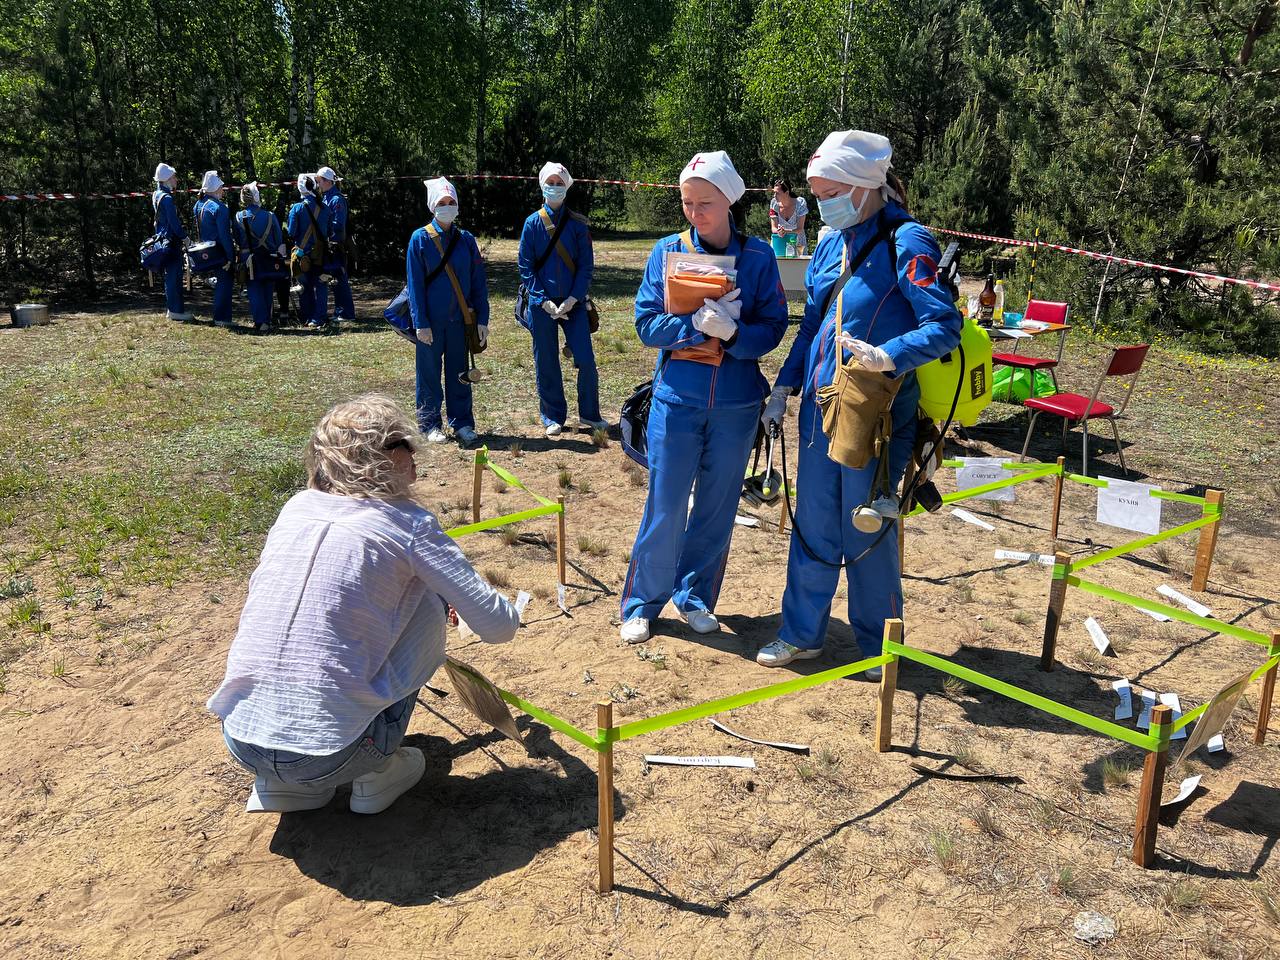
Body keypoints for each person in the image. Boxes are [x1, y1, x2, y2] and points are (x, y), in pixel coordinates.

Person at [208, 393, 520, 814]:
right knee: (426, 602)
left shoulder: (296, 508)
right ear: (391, 456)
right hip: (332, 752)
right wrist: (502, 605)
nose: (415, 459)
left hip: (241, 739)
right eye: (407, 447)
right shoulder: (408, 524)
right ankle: (376, 774)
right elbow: (498, 627)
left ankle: (285, 784)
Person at [756, 131, 961, 670]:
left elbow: (945, 326)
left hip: (877, 417)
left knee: (868, 532)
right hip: (818, 411)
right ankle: (802, 633)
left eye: (831, 192)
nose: (824, 204)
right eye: (817, 194)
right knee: (813, 527)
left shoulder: (909, 242)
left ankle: (878, 646)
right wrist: (783, 386)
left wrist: (888, 355)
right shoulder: (828, 243)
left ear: (867, 186)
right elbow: (813, 327)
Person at [619, 151, 789, 644]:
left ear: (730, 200)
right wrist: (692, 326)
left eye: (705, 203)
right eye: (688, 203)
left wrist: (735, 334)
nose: (695, 213)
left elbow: (774, 326)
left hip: (736, 405)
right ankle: (641, 603)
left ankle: (694, 597)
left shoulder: (758, 257)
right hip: (677, 399)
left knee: (716, 507)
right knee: (666, 504)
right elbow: (647, 323)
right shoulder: (665, 252)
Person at [517, 162, 608, 437]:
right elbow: (526, 267)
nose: (554, 187)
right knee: (546, 361)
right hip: (541, 305)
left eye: (559, 182)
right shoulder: (532, 223)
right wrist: (542, 299)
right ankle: (552, 416)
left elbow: (585, 267)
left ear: (566, 187)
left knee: (586, 360)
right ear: (542, 185)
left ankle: (590, 415)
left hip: (574, 304)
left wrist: (572, 298)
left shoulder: (578, 225)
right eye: (550, 182)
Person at [406, 177, 489, 446]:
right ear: (432, 206)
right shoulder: (419, 239)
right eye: (442, 203)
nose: (447, 206)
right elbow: (415, 285)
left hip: (460, 321)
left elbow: (478, 282)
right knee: (428, 375)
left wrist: (482, 319)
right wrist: (420, 322)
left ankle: (462, 422)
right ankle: (429, 424)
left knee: (459, 372)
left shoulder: (466, 240)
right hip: (431, 322)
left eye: (451, 202)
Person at [233, 181, 286, 333]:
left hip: (248, 258)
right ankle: (266, 321)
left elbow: (237, 239)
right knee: (268, 288)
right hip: (268, 257)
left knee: (254, 289)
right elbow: (278, 239)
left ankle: (260, 321)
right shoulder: (270, 216)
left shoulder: (238, 217)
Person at [287, 173, 331, 329]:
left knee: (304, 287)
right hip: (320, 253)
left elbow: (291, 232)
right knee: (321, 285)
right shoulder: (324, 207)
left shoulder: (297, 208)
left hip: (302, 254)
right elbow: (328, 231)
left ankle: (307, 317)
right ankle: (320, 317)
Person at [194, 170, 236, 328]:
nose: (223, 190)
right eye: (221, 187)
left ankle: (221, 316)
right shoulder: (220, 208)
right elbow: (225, 236)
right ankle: (222, 318)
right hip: (219, 251)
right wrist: (230, 256)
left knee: (220, 283)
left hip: (206, 251)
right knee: (225, 283)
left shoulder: (198, 205)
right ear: (215, 189)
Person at [151, 163, 192, 321]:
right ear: (167, 179)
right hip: (171, 240)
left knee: (170, 275)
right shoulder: (167, 198)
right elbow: (174, 223)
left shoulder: (157, 194)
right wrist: (185, 238)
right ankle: (176, 310)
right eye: (174, 177)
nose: (176, 179)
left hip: (163, 239)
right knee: (174, 275)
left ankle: (173, 309)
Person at [316, 165, 355, 324]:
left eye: (320, 181)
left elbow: (338, 224)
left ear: (327, 181)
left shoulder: (337, 199)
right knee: (334, 280)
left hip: (336, 244)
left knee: (340, 279)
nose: (318, 184)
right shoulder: (326, 197)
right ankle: (340, 310)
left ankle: (347, 313)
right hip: (328, 244)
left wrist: (323, 225)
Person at [768, 179, 809, 257]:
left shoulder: (800, 203)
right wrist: (779, 231)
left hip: (798, 245)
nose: (774, 196)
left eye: (777, 193)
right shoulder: (774, 203)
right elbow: (773, 228)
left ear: (786, 193)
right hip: (779, 245)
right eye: (774, 193)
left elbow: (800, 229)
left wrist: (786, 231)